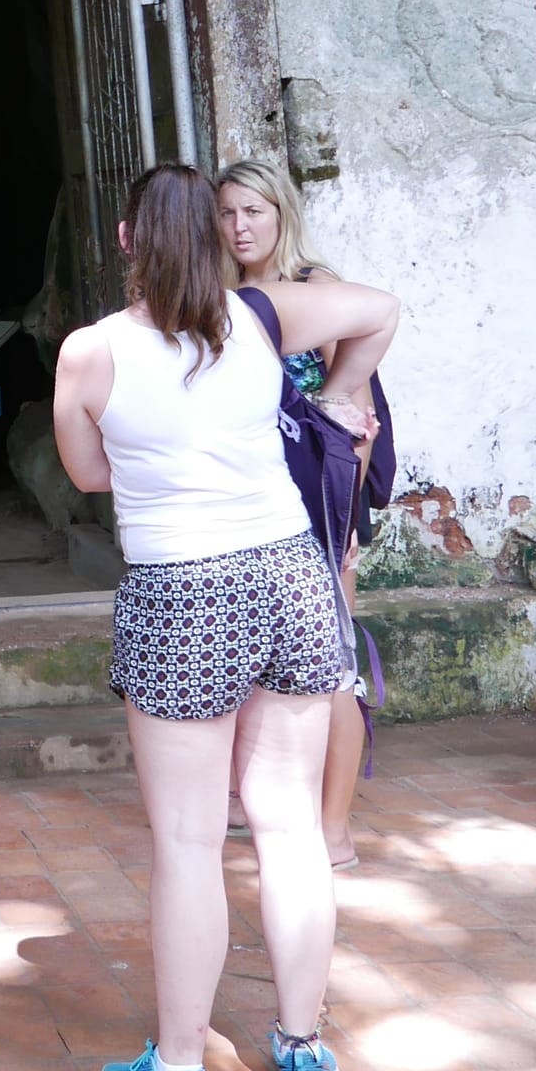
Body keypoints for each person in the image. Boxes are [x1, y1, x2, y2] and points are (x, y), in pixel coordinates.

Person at [54, 164, 398, 1071]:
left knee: (188, 841)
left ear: (126, 238)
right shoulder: (255, 315)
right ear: (210, 236)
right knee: (287, 826)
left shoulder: (91, 352)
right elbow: (377, 307)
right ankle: (301, 1051)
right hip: (288, 575)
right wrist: (339, 391)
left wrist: (156, 442)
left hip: (182, 589)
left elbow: (85, 470)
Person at [216, 158, 378, 869]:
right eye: (226, 213)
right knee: (259, 665)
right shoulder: (221, 297)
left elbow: (358, 415)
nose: (240, 225)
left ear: (281, 213)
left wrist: (341, 526)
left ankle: (335, 827)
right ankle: (266, 803)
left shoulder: (316, 289)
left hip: (316, 509)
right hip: (249, 510)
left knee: (332, 667)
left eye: (253, 210)